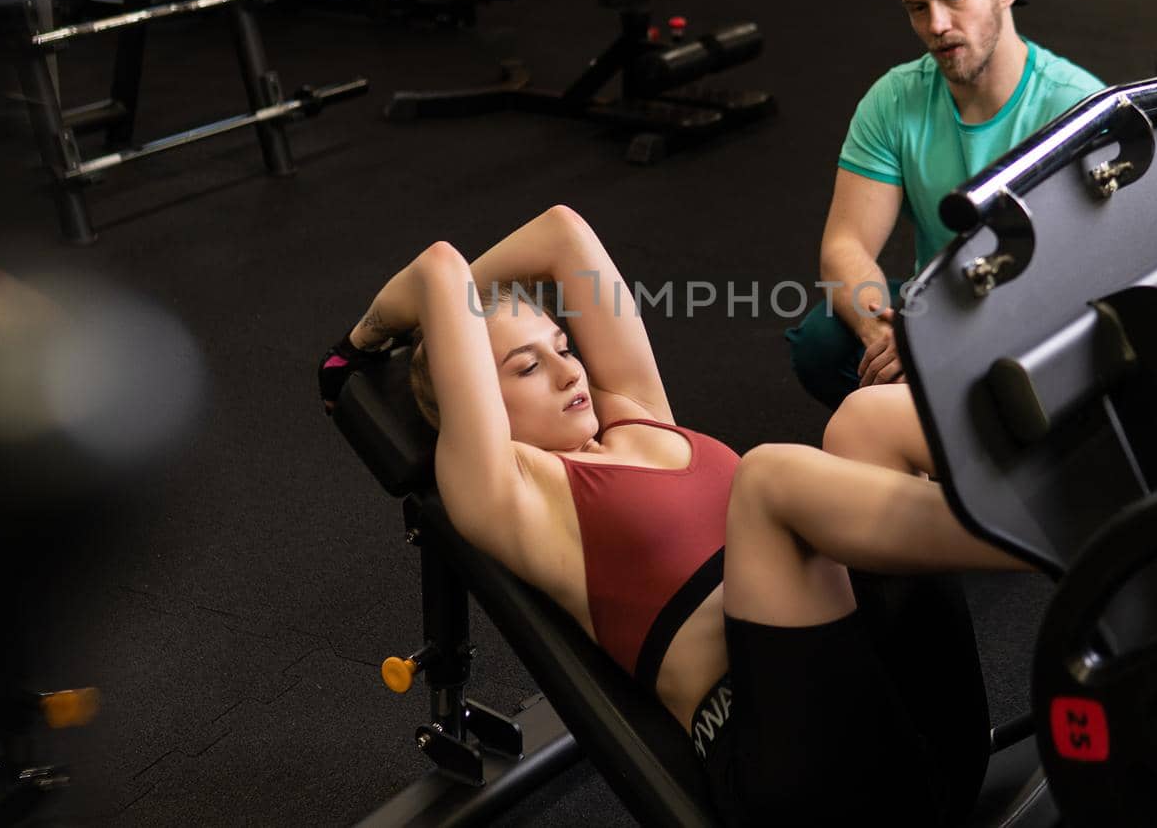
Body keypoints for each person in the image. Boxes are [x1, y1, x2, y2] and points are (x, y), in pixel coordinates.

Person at [320, 205, 1028, 826]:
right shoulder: (513, 493)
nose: (569, 371)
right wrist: (362, 344)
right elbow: (441, 270)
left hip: (913, 723)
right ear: (471, 398)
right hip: (806, 776)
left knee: (863, 422)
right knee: (769, 479)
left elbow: (563, 233)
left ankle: (1060, 459)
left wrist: (489, 314)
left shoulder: (634, 414)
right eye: (526, 368)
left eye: (562, 346)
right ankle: (1046, 530)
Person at [787, 0, 1105, 409]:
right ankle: (934, 423)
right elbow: (845, 246)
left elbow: (1095, 271)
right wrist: (884, 334)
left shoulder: (1074, 105)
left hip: (1039, 313)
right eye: (917, 8)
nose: (936, 25)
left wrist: (943, 341)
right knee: (823, 344)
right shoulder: (895, 98)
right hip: (939, 302)